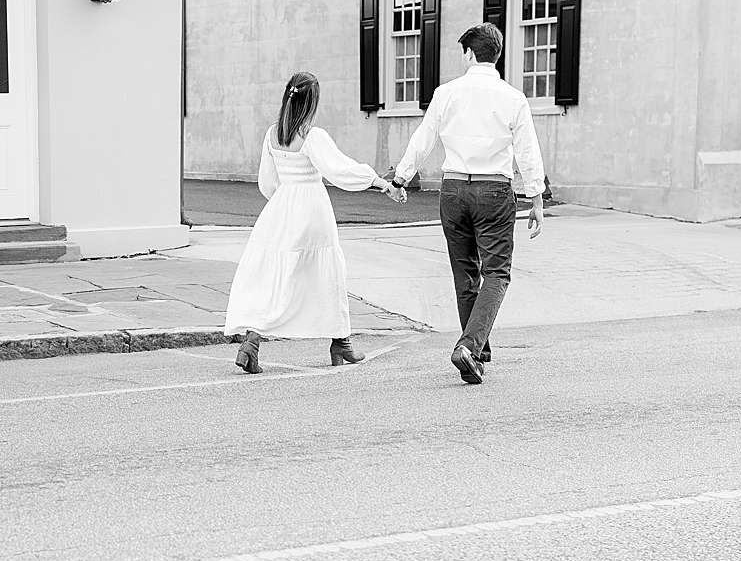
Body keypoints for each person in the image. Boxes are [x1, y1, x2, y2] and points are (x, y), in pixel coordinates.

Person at [392, 23, 545, 385]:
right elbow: (527, 152)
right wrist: (535, 197)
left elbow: (423, 139)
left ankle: (476, 349)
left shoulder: (446, 93)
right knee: (496, 272)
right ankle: (470, 346)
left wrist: (401, 177)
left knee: (465, 273)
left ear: (470, 54)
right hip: (494, 190)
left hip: (454, 189)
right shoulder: (513, 98)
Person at [224, 71, 406, 374]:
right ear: (312, 102)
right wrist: (380, 183)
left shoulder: (272, 134)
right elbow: (340, 171)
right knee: (328, 272)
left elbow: (267, 184)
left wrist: (283, 203)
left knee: (279, 277)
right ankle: (336, 341)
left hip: (281, 208)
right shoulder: (312, 135)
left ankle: (256, 340)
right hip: (311, 209)